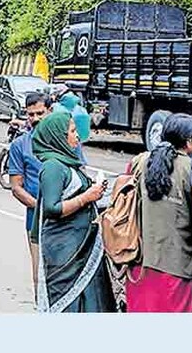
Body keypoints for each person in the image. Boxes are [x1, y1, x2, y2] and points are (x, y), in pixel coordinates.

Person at [31, 112, 114, 313]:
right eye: (72, 131)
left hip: (83, 248)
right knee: (70, 303)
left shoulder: (68, 164)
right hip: (65, 253)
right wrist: (86, 197)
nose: (77, 136)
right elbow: (52, 208)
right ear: (58, 136)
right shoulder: (53, 167)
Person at [125, 113, 192, 312]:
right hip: (177, 266)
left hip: (139, 262)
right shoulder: (190, 168)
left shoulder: (139, 162)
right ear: (188, 141)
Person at [6, 92, 51, 296]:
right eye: (30, 114)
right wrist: (41, 207)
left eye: (40, 113)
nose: (35, 119)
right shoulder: (19, 146)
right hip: (36, 219)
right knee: (39, 272)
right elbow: (16, 187)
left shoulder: (67, 138)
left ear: (49, 111)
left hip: (67, 218)